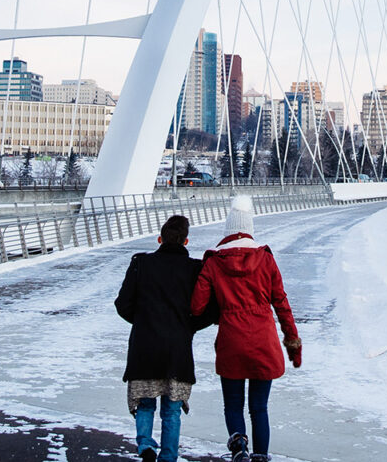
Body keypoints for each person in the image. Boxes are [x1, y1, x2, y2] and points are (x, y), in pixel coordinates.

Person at [190, 195, 301, 462]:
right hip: (264, 342)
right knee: (259, 408)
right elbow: (282, 304)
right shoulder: (265, 259)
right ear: (250, 229)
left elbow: (196, 306)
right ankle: (261, 456)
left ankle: (239, 446)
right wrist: (293, 342)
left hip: (231, 342)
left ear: (227, 231)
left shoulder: (214, 263)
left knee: (233, 404)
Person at [115, 214, 213, 462]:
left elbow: (123, 304)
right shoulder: (194, 269)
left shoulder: (141, 264)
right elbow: (209, 310)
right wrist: (187, 326)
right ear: (186, 241)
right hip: (176, 349)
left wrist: (143, 321)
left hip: (144, 346)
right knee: (171, 410)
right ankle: (168, 457)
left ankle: (145, 446)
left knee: (146, 404)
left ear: (160, 238)